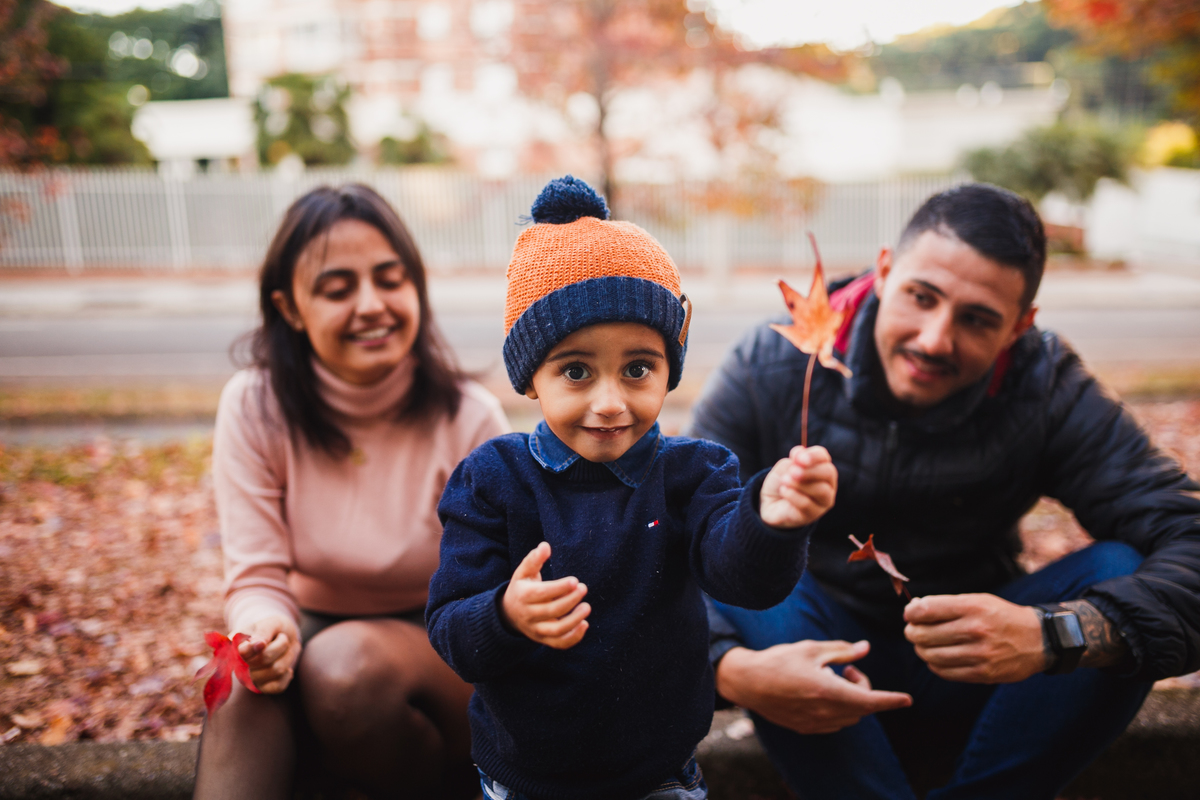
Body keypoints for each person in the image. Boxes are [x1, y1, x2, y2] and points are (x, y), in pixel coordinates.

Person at [688, 183, 1200, 800]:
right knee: (744, 543)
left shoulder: (1047, 389)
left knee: (1122, 568)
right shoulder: (771, 365)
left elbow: (1187, 539)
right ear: (884, 271)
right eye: (920, 296)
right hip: (813, 650)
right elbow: (670, 535)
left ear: (1019, 326)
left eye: (977, 319)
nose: (934, 339)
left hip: (988, 673)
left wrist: (1054, 634)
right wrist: (733, 672)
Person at [425, 176, 838, 800]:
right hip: (526, 776)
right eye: (576, 371)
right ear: (531, 378)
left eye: (638, 368)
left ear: (669, 368)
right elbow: (453, 631)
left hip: (660, 773)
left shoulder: (695, 475)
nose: (610, 402)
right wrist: (506, 615)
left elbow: (744, 580)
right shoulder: (494, 482)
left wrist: (772, 520)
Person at [192, 184, 509, 800]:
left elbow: (501, 595)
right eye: (338, 289)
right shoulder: (255, 407)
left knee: (345, 667)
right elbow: (256, 576)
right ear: (289, 308)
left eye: (391, 280)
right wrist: (265, 634)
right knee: (237, 679)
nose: (372, 305)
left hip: (449, 645)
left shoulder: (468, 418)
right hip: (311, 625)